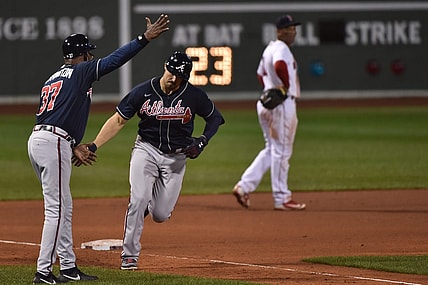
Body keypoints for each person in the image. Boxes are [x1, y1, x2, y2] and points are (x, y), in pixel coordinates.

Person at [27, 14, 170, 284]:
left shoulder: (52, 77)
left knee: (64, 207)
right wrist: (143, 39)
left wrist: (71, 146)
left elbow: (55, 116)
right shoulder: (79, 72)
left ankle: (68, 267)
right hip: (53, 142)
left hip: (41, 140)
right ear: (79, 55)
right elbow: (114, 60)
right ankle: (43, 272)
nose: (92, 57)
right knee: (56, 209)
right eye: (88, 53)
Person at [75, 51, 225, 270]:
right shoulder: (144, 92)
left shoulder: (193, 95)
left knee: (161, 215)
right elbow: (118, 120)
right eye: (172, 72)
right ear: (165, 66)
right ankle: (129, 255)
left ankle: (147, 206)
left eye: (180, 76)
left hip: (176, 157)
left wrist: (202, 141)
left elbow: (215, 118)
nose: (174, 78)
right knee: (138, 199)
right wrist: (95, 144)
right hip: (146, 149)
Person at [232, 14, 306, 211]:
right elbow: (279, 65)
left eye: (294, 28)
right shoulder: (281, 49)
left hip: (266, 103)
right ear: (280, 31)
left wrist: (270, 88)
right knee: (281, 151)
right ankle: (282, 197)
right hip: (281, 104)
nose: (293, 32)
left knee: (271, 148)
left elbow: (260, 74)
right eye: (289, 28)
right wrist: (284, 87)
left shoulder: (270, 48)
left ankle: (244, 186)